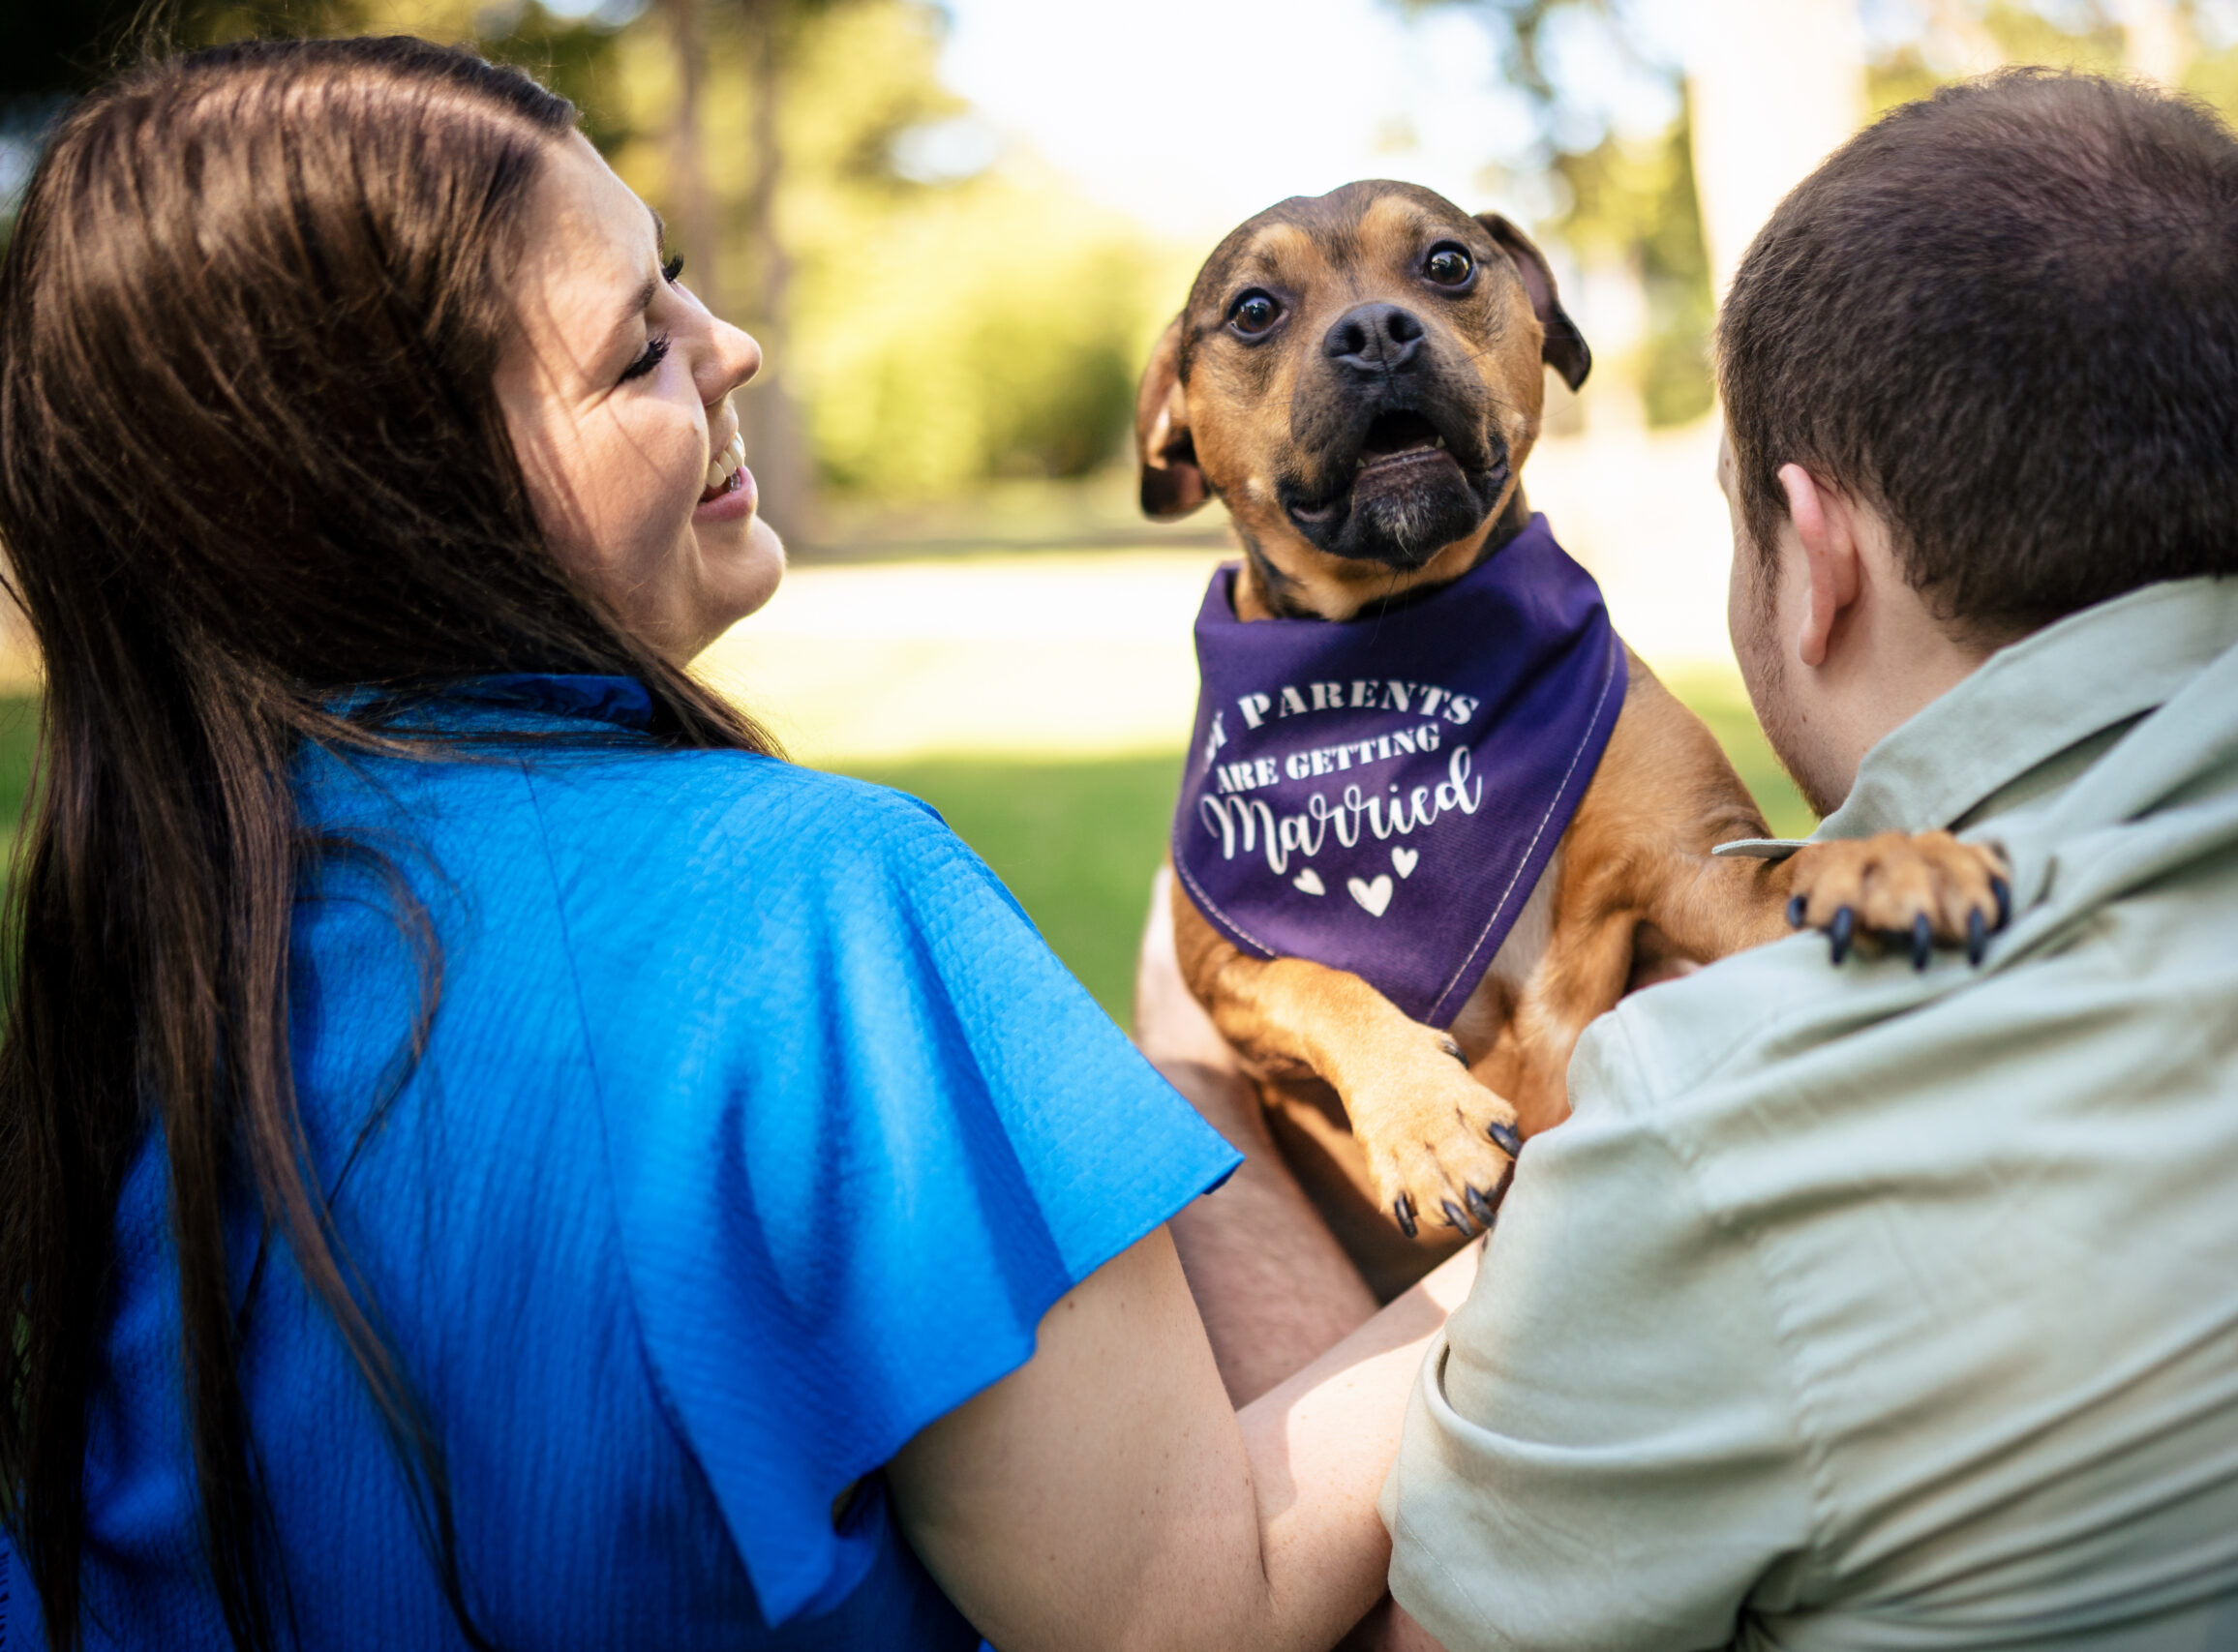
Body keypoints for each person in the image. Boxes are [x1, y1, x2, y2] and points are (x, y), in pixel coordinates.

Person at [0, 38, 1472, 1652]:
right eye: (638, 352)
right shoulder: (806, 902)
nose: (736, 348)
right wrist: (1589, 1204)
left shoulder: (142, 963)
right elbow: (1190, 1610)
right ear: (400, 493)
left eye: (682, 285)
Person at [1149, 70, 2238, 1650]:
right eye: (1264, 315)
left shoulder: (1722, 1143)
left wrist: (1188, 1070)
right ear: (1179, 427)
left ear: (1813, 553)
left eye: (1440, 273)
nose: (1371, 332)